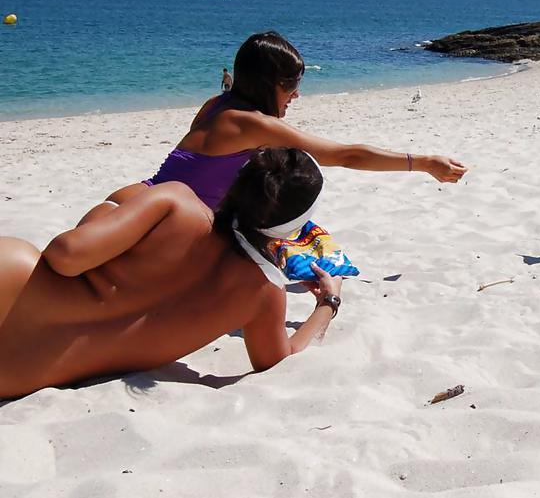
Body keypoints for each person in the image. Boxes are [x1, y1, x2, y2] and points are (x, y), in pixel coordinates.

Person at [0, 148, 342, 400]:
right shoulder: (265, 292)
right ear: (292, 228)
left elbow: (65, 257)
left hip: (15, 286)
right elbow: (279, 358)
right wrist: (328, 301)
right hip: (22, 373)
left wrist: (109, 209)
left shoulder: (177, 203)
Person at [105, 32, 467, 211]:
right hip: (163, 223)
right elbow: (346, 156)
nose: (295, 95)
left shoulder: (215, 104)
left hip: (137, 198)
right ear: (270, 84)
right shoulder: (257, 125)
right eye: (291, 85)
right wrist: (422, 163)